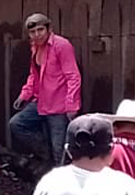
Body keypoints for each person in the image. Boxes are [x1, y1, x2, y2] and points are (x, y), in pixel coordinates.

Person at [9, 13, 82, 164]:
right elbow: (34, 76)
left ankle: (62, 182)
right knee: (16, 124)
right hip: (40, 102)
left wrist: (71, 105)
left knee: (60, 151)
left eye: (40, 30)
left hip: (59, 107)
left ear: (49, 28)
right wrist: (24, 95)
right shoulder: (35, 47)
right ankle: (44, 154)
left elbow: (73, 76)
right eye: (32, 32)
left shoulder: (61, 45)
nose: (37, 34)